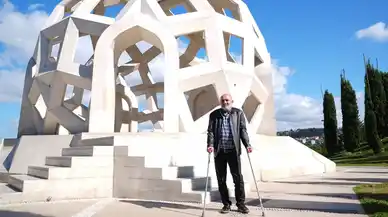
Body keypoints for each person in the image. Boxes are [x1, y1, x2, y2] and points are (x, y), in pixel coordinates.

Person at [206, 93, 253, 214]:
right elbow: (210, 131)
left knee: (238, 179)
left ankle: (241, 204)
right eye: (223, 100)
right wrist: (210, 145)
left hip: (233, 151)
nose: (225, 102)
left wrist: (247, 144)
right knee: (221, 179)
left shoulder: (238, 113)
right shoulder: (214, 115)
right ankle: (226, 204)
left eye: (227, 100)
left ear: (232, 101)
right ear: (220, 102)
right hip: (219, 151)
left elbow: (243, 130)